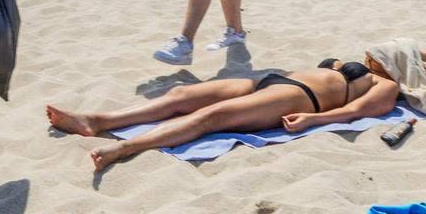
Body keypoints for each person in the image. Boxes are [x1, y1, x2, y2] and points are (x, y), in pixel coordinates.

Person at [47, 56, 400, 172]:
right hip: (272, 82)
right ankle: (99, 120)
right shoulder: (358, 66)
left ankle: (123, 149)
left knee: (211, 117)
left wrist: (315, 120)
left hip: (300, 97)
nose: (373, 55)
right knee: (181, 95)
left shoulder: (386, 85)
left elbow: (356, 111)